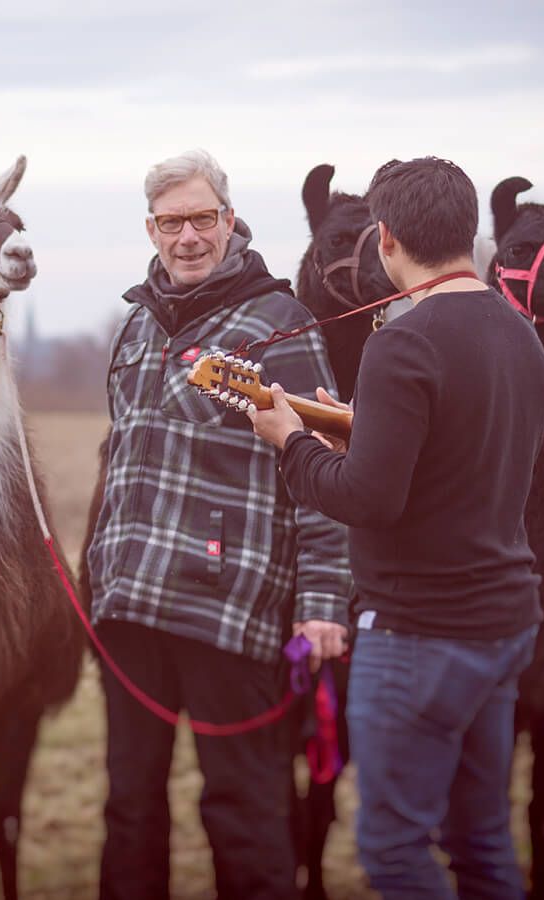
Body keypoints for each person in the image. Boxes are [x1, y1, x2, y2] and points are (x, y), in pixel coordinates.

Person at [248, 157, 544, 899]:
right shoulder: (521, 335)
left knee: (392, 849)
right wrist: (362, 431)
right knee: (481, 842)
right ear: (468, 229)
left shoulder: (403, 340)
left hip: (420, 635)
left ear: (386, 240)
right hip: (504, 626)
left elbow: (367, 500)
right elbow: (457, 461)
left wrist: (293, 442)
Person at [86, 149, 352, 900]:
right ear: (152, 230)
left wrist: (324, 602)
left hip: (231, 611)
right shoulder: (135, 325)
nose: (188, 237)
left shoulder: (281, 325)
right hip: (131, 609)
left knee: (242, 809)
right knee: (128, 808)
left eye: (203, 218)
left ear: (229, 221)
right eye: (171, 223)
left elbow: (322, 475)